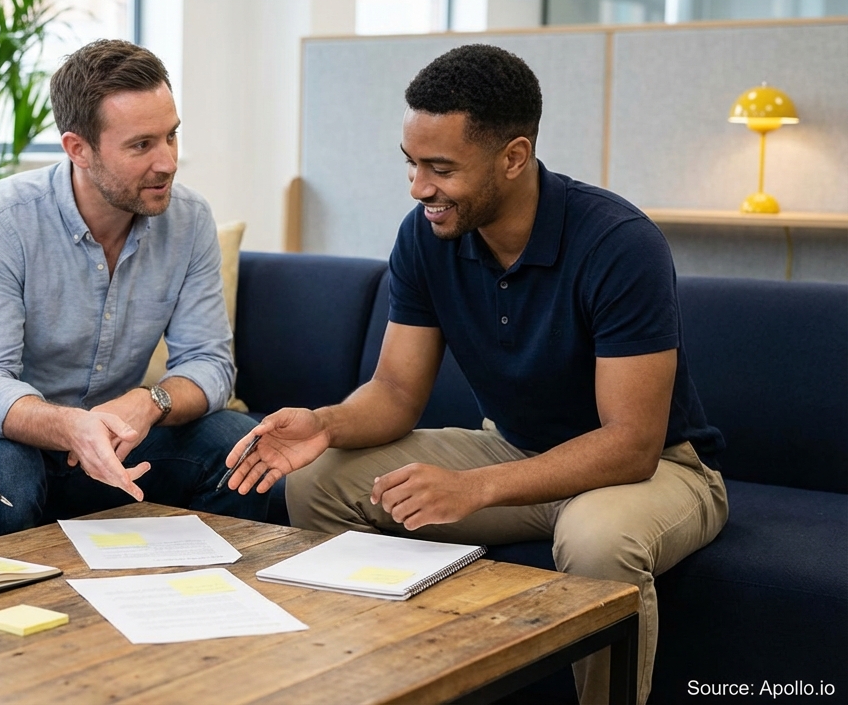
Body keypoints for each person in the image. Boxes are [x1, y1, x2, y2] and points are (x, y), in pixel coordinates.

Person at [222, 44, 728, 704]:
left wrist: (476, 488)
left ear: (513, 157)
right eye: (411, 164)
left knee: (597, 538)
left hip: (656, 468)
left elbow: (630, 442)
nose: (418, 188)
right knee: (320, 479)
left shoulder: (617, 243)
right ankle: (366, 683)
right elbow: (397, 393)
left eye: (440, 168)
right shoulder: (426, 236)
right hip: (514, 447)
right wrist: (323, 423)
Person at [0, 39, 268, 543]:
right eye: (142, 145)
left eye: (171, 137)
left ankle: (194, 601)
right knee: (6, 474)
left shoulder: (189, 220)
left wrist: (149, 402)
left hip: (108, 435)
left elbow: (210, 363)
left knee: (241, 451)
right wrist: (71, 426)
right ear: (78, 148)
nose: (167, 162)